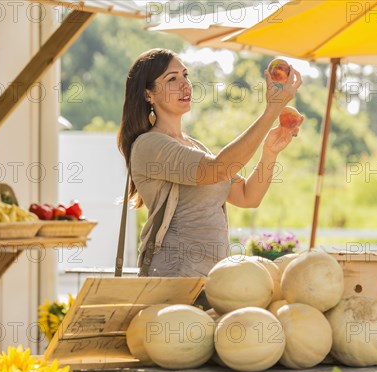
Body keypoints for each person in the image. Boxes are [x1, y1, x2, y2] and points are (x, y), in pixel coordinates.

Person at [117, 48, 303, 277]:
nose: (185, 84)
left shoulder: (196, 147)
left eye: (185, 75)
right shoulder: (149, 145)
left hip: (213, 280)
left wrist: (270, 152)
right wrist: (272, 110)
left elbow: (248, 197)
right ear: (148, 94)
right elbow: (218, 169)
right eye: (172, 79)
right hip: (173, 281)